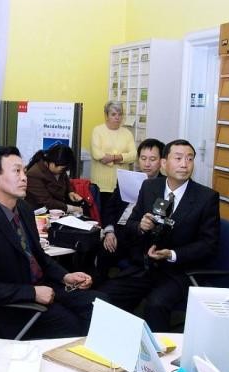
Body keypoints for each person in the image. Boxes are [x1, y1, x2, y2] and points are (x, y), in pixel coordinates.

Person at [0, 146, 107, 339]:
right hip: (12, 307)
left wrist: (65, 276)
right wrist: (32, 293)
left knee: (102, 304)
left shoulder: (23, 209)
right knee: (73, 325)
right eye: (16, 171)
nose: (24, 177)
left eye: (23, 170)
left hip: (42, 287)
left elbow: (38, 256)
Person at [97, 139, 220, 332]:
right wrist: (141, 226)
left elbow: (209, 244)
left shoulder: (206, 197)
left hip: (177, 273)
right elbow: (130, 225)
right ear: (164, 163)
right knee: (104, 297)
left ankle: (157, 356)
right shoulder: (150, 188)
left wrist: (171, 254)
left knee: (156, 304)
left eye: (189, 159)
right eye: (178, 158)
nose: (184, 164)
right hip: (144, 267)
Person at [97, 138, 165, 281]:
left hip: (141, 235)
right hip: (118, 231)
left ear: (162, 161)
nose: (147, 164)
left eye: (152, 159)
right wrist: (109, 231)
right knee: (99, 249)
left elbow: (159, 218)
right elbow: (110, 207)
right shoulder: (127, 178)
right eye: (143, 158)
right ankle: (99, 290)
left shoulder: (165, 186)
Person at [90, 101, 136, 211]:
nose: (117, 118)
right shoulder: (98, 131)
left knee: (117, 216)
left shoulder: (127, 133)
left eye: (120, 114)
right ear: (106, 115)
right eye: (113, 114)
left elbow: (134, 155)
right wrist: (123, 158)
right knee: (101, 215)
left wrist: (113, 158)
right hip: (101, 184)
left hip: (121, 183)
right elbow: (97, 154)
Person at [25, 144, 83, 214]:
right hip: (40, 213)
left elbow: (65, 179)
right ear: (52, 162)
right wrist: (72, 208)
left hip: (58, 211)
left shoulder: (58, 169)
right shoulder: (34, 174)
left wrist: (70, 192)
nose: (64, 172)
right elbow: (47, 202)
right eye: (63, 169)